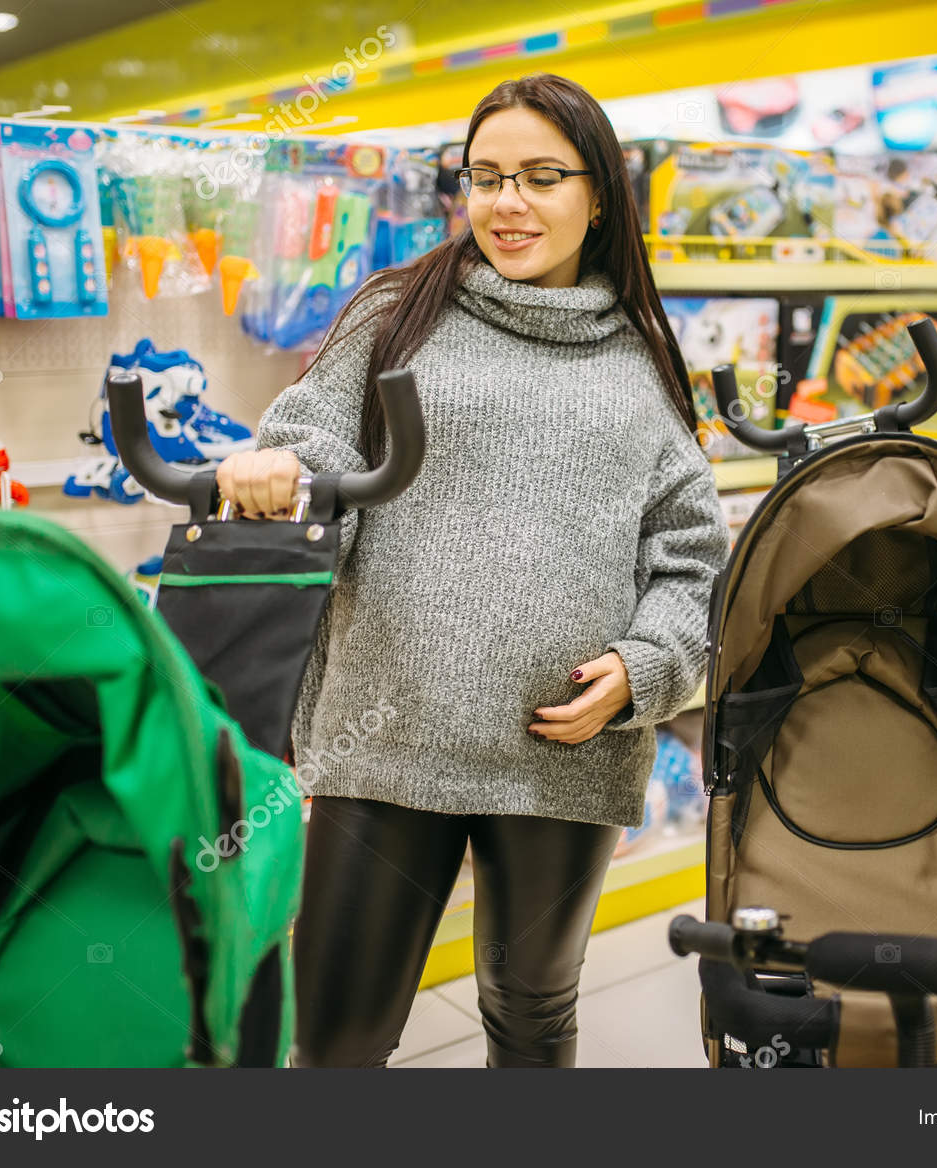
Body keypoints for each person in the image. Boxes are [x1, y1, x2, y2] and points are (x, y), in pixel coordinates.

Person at [215, 73, 729, 1067]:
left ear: (598, 194)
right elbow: (309, 445)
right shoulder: (397, 312)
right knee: (336, 1033)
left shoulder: (643, 353)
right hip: (386, 736)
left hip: (562, 745)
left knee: (528, 1014)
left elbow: (692, 557)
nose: (507, 203)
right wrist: (270, 467)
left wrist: (642, 670)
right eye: (485, 177)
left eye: (541, 177)